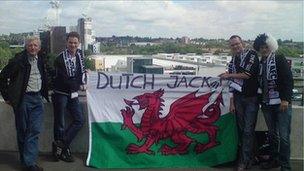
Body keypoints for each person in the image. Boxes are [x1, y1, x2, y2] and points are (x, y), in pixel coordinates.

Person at [0, 37, 49, 171]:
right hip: (23, 100)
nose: (33, 48)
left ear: (39, 48)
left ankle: (29, 163)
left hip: (38, 99)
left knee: (34, 130)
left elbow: (48, 74)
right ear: (26, 47)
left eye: (35, 45)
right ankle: (26, 162)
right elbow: (3, 77)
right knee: (22, 131)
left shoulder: (42, 59)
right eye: (30, 45)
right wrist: (7, 97)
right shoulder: (18, 60)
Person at [219, 35, 259, 171]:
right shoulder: (232, 61)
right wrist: (231, 103)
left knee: (248, 130)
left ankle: (245, 160)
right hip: (238, 98)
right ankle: (250, 157)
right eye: (232, 45)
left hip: (251, 98)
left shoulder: (252, 54)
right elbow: (230, 84)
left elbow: (247, 75)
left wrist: (228, 75)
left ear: (242, 43)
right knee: (242, 130)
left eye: (237, 44)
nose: (235, 47)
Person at [253, 33, 293, 171]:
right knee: (272, 135)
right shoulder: (259, 63)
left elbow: (288, 80)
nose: (264, 50)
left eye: (266, 47)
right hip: (266, 104)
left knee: (284, 137)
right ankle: (274, 160)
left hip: (282, 104)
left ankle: (286, 166)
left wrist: (286, 100)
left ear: (271, 46)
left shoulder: (279, 59)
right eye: (261, 47)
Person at [52, 32, 86, 162]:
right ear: (67, 43)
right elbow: (64, 79)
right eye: (70, 42)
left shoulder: (80, 56)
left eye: (75, 43)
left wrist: (83, 79)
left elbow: (80, 73)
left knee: (79, 120)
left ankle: (60, 144)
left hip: (73, 94)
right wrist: (79, 85)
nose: (73, 45)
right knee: (60, 123)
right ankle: (63, 151)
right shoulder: (59, 59)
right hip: (61, 93)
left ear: (78, 44)